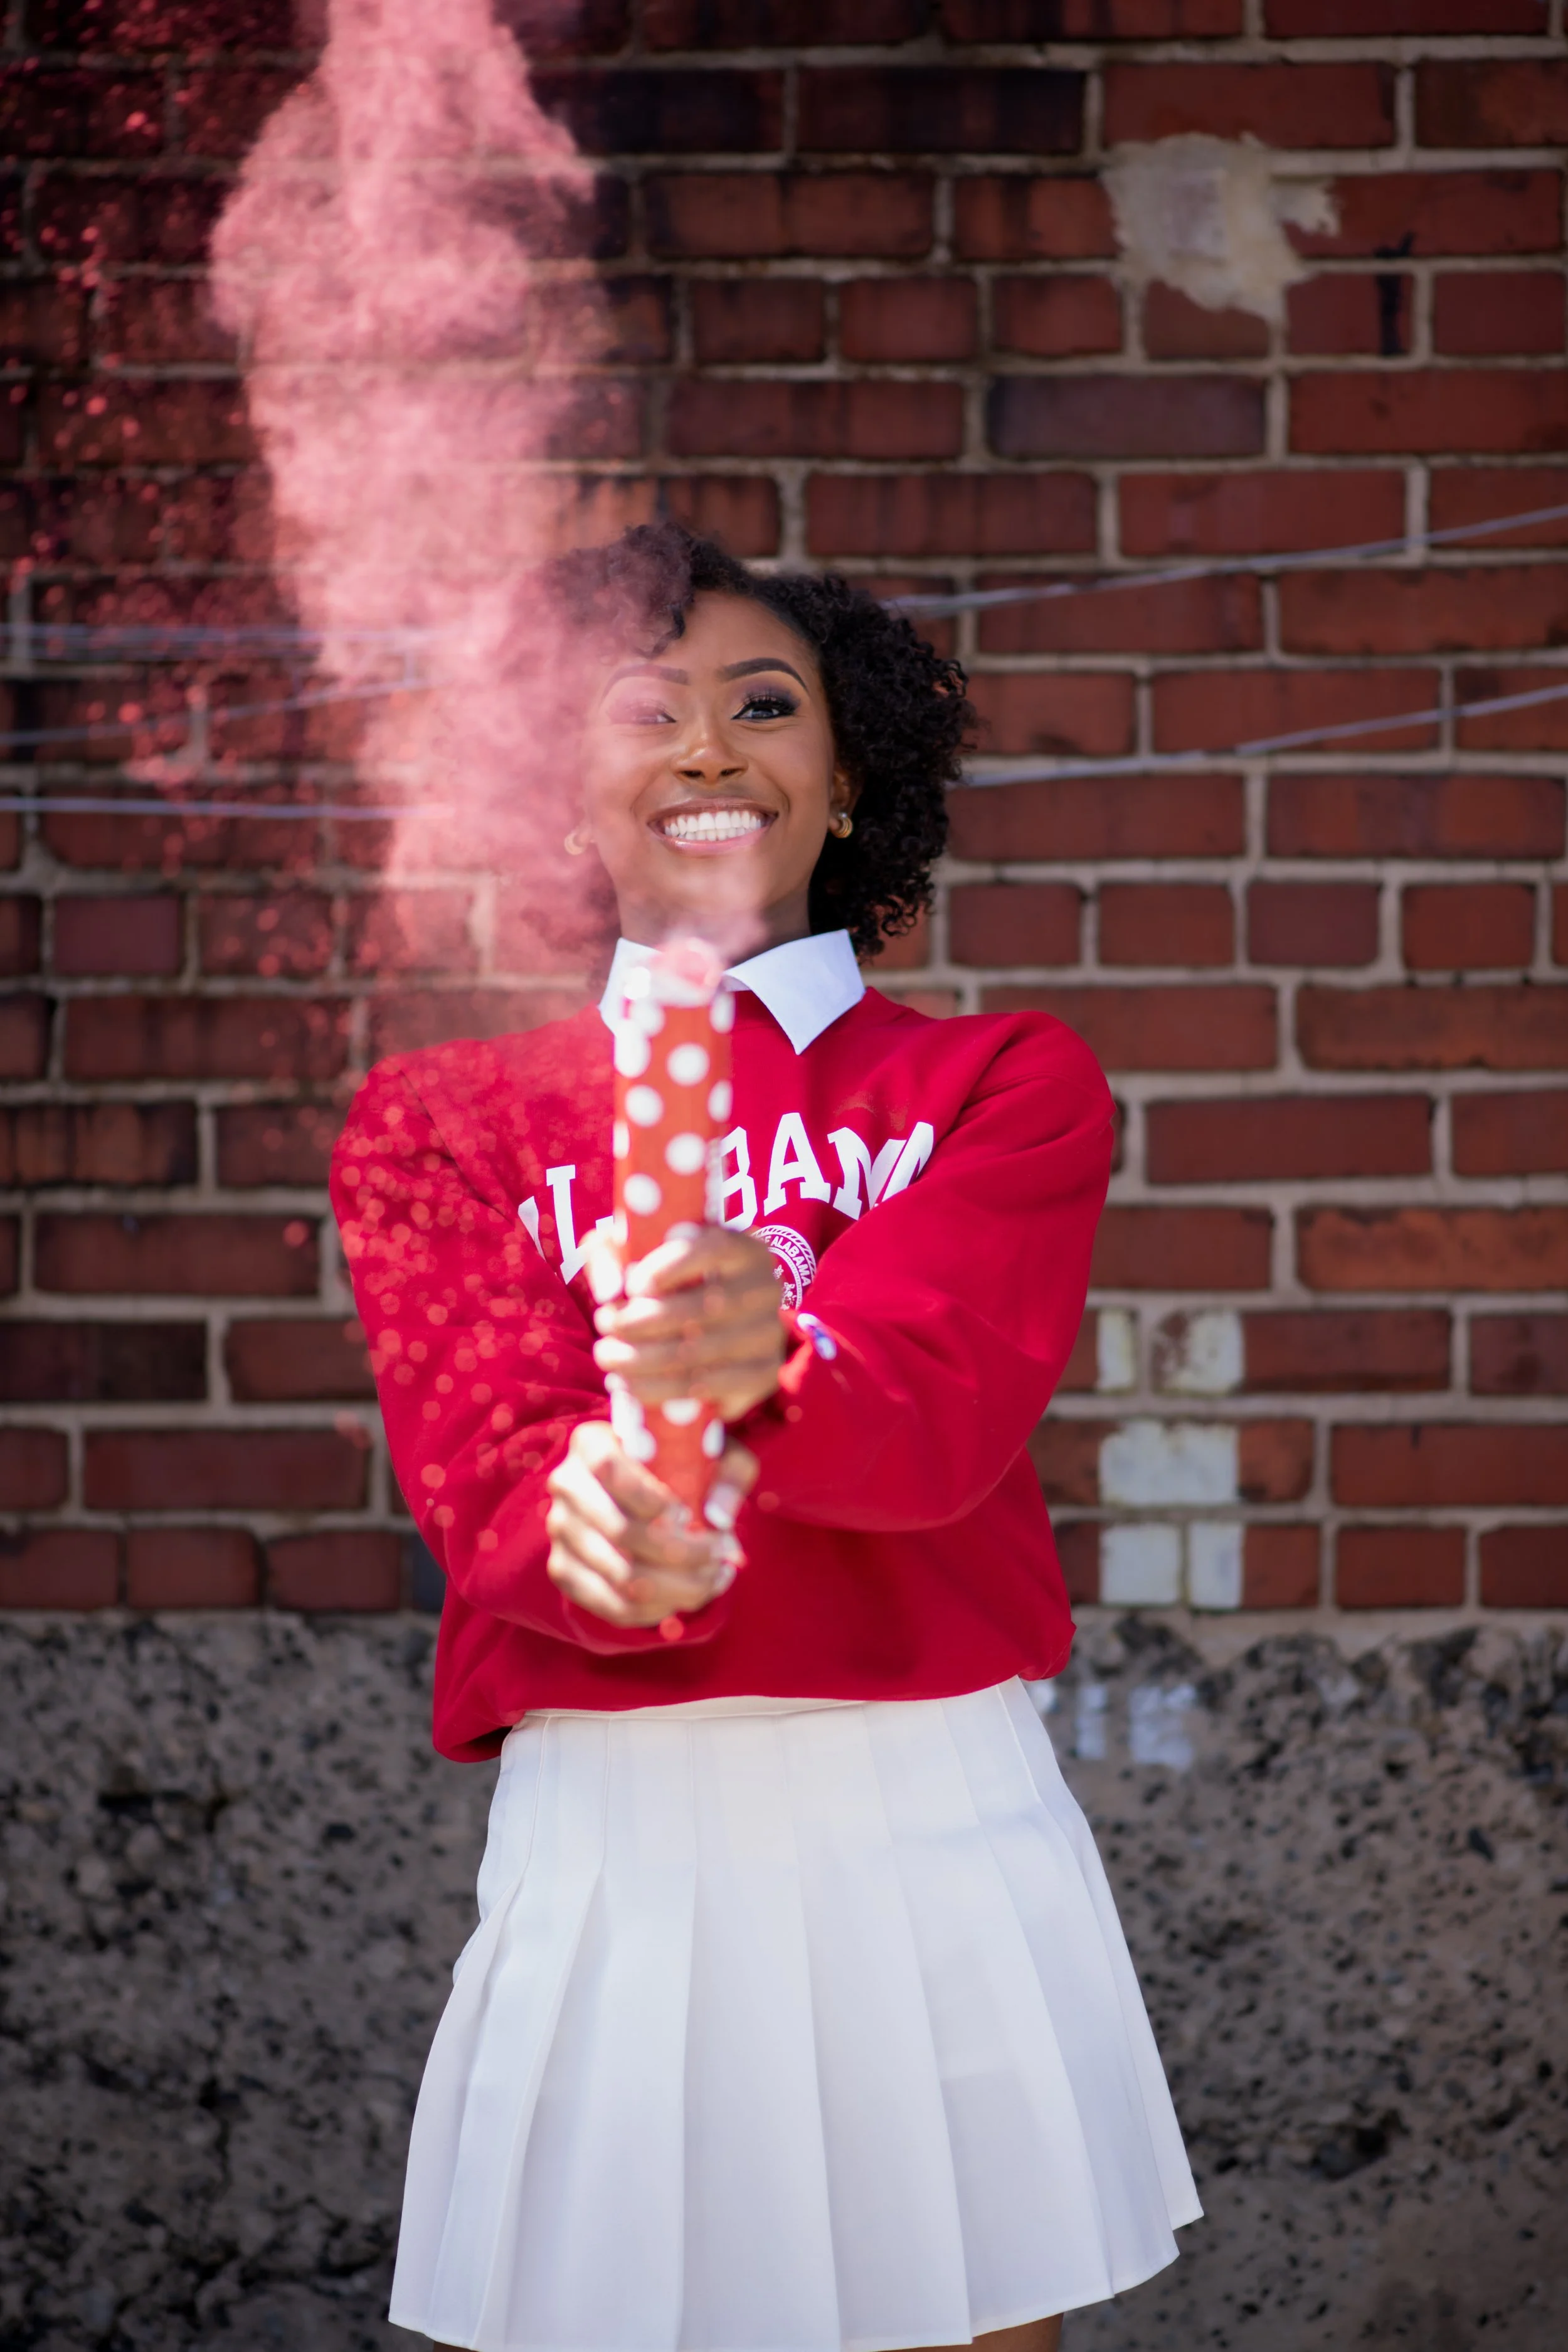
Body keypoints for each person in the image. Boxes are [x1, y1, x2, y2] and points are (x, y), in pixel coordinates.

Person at [331, 522, 1200, 2352]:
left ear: (847, 779)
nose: (709, 745)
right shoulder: (439, 1125)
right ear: (566, 800)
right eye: (644, 709)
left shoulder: (996, 1083)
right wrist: (591, 1522)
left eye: (764, 704)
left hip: (926, 1806)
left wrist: (765, 1368)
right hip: (616, 1828)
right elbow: (488, 1475)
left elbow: (935, 1405)